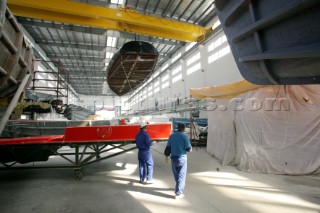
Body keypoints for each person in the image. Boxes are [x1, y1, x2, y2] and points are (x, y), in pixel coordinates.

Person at [164, 123, 192, 199]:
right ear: (183, 128)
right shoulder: (185, 137)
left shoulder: (172, 136)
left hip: (173, 158)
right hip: (182, 159)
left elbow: (168, 148)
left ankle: (178, 186)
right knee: (182, 176)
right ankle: (178, 193)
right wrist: (189, 149)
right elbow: (189, 148)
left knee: (176, 174)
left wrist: (166, 156)